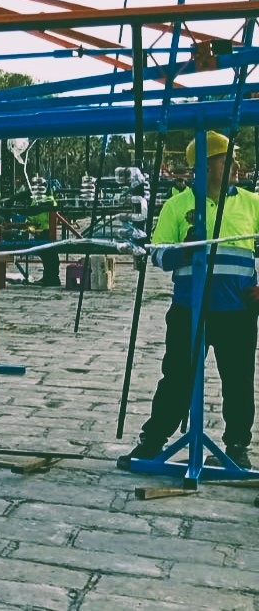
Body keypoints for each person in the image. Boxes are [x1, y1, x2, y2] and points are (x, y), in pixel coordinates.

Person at [120, 131, 258, 471]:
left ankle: (237, 446)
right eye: (227, 161)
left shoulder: (252, 203)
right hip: (188, 309)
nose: (236, 166)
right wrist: (184, 251)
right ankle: (153, 442)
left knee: (238, 381)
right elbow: (158, 254)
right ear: (206, 167)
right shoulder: (177, 206)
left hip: (237, 311)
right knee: (177, 378)